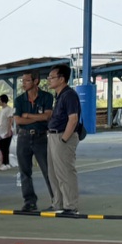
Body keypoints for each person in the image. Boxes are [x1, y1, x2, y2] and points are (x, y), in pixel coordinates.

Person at [14, 71, 56, 212]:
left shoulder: (47, 97)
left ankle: (56, 200)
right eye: (22, 81)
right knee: (24, 171)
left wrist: (28, 116)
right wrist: (38, 116)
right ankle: (29, 201)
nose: (23, 83)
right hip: (23, 137)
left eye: (26, 80)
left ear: (36, 81)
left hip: (40, 137)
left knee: (47, 170)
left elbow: (47, 116)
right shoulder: (19, 100)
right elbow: (18, 120)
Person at [45, 63, 82, 214]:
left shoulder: (69, 95)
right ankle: (58, 204)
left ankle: (70, 205)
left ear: (62, 79)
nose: (49, 80)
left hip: (62, 136)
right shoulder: (59, 96)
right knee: (53, 173)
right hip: (53, 135)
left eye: (52, 77)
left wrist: (64, 140)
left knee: (65, 172)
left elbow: (73, 119)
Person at [0, 94, 15, 170]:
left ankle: (6, 163)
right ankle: (5, 163)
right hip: (0, 131)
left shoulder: (8, 109)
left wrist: (9, 131)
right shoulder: (0, 110)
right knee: (2, 148)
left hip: (6, 131)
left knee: (5, 148)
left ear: (3, 100)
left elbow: (10, 120)